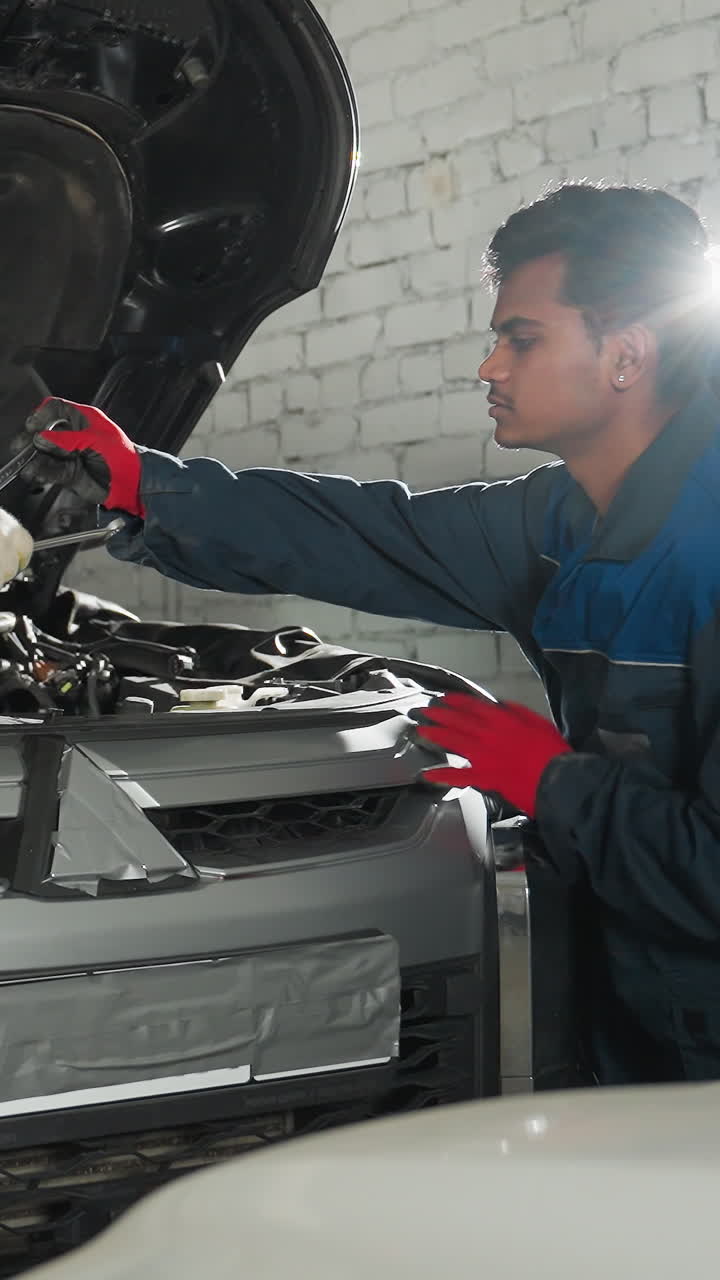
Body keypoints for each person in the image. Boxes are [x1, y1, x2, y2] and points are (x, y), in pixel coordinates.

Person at [14, 180, 720, 1086]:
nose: (489, 368)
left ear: (626, 355)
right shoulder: (562, 521)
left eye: (522, 338)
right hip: (636, 1008)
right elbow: (362, 533)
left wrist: (554, 783)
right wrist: (142, 484)